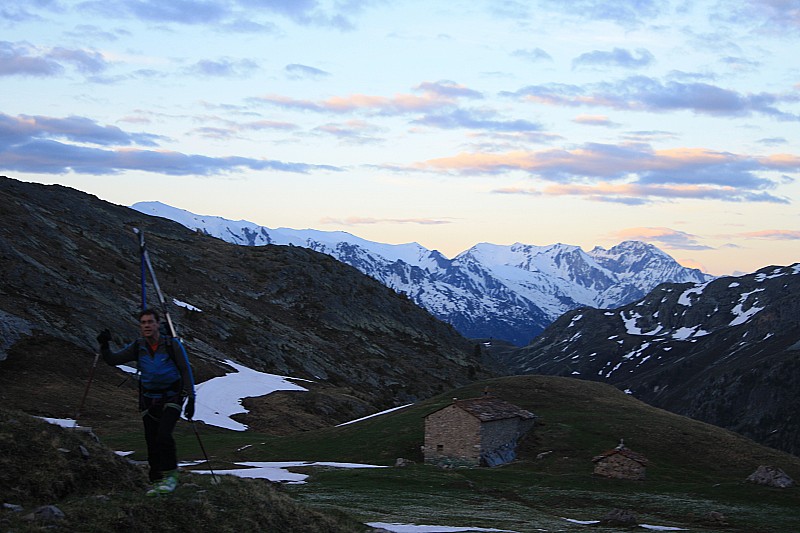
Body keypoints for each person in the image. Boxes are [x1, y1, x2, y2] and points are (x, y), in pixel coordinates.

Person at [97, 309, 195, 496]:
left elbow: (185, 369)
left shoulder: (172, 345)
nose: (147, 325)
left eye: (150, 322)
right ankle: (156, 481)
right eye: (143, 323)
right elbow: (113, 360)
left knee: (163, 435)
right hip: (148, 399)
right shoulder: (138, 346)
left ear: (158, 324)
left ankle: (171, 476)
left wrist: (191, 398)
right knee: (151, 439)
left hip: (172, 396)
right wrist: (104, 345)